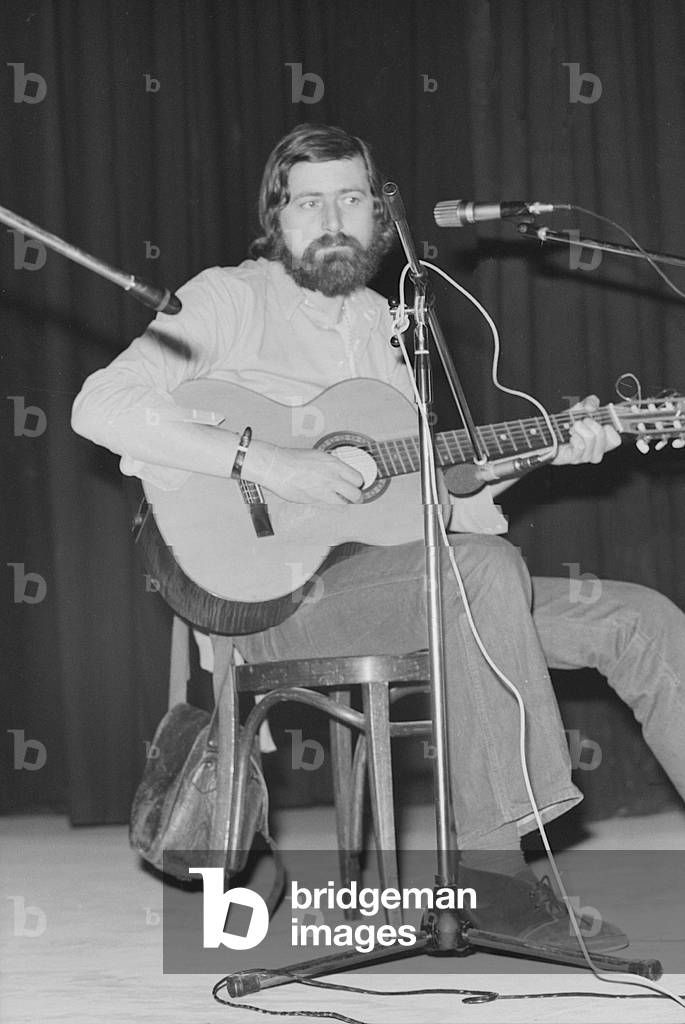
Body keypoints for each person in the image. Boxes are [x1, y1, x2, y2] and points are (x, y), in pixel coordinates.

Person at [72, 123, 685, 954]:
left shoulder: (394, 327)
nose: (331, 217)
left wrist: (544, 447)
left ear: (380, 216)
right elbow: (99, 406)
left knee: (639, 617)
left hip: (422, 581)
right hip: (281, 596)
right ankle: (493, 876)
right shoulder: (227, 297)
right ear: (275, 216)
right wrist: (270, 462)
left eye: (352, 198)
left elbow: (441, 503)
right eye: (308, 201)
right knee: (478, 573)